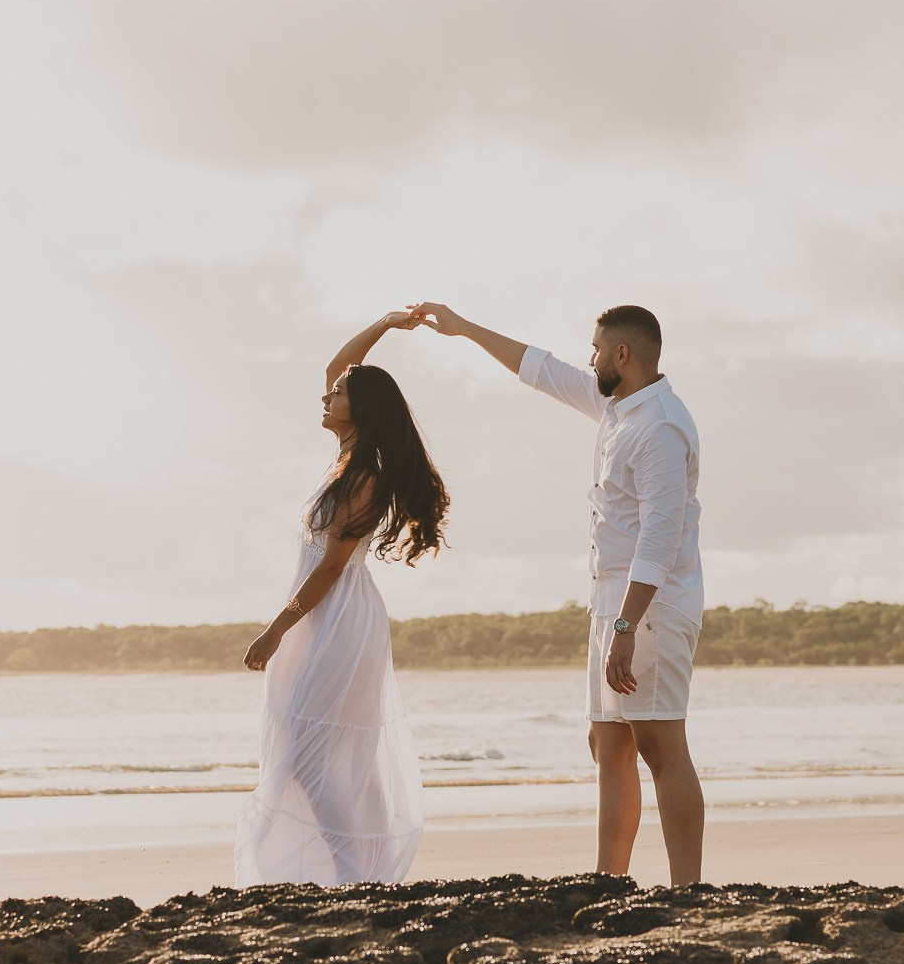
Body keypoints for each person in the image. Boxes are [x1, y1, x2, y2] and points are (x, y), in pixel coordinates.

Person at [409, 301, 706, 885]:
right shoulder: (617, 406)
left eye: (596, 349)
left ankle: (686, 891)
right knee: (607, 743)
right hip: (611, 603)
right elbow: (541, 370)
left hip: (649, 608)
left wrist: (625, 627)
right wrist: (464, 328)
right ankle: (609, 881)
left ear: (622, 355)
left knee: (661, 746)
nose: (588, 358)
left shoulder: (661, 426)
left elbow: (660, 539)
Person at [236, 311, 450, 887]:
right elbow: (338, 366)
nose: (326, 397)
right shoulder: (345, 458)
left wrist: (277, 626)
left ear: (361, 409)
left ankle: (357, 871)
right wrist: (384, 322)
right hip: (320, 613)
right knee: (325, 748)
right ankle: (370, 874)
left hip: (336, 616)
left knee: (312, 751)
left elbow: (332, 566)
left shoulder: (361, 475)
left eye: (337, 395)